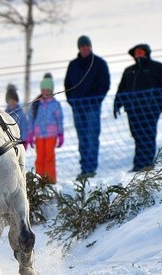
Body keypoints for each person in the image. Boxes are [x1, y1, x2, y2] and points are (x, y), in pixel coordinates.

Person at [114, 43, 162, 172]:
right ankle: (138, 164)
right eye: (136, 52)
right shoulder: (129, 70)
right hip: (132, 109)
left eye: (141, 52)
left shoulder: (157, 67)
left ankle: (147, 165)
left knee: (148, 135)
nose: (138, 54)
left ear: (146, 53)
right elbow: (122, 88)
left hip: (150, 109)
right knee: (137, 135)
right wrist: (117, 103)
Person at [64, 35, 111, 179]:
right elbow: (68, 85)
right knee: (82, 138)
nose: (85, 48)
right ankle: (84, 168)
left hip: (92, 107)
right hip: (78, 107)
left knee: (91, 137)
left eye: (87, 46)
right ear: (79, 48)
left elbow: (105, 84)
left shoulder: (99, 63)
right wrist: (72, 101)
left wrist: (96, 100)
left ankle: (90, 169)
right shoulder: (73, 65)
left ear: (90, 46)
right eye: (82, 46)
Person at [26, 73, 64, 183]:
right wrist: (30, 134)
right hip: (39, 136)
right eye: (43, 90)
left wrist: (60, 134)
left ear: (51, 90)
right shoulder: (37, 104)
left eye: (47, 89)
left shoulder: (55, 104)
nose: (45, 92)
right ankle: (40, 180)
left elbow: (59, 119)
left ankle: (50, 181)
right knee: (39, 159)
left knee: (49, 159)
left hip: (51, 136)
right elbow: (32, 119)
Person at [4, 84, 31, 149]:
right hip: (8, 144)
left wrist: (24, 140)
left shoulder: (21, 114)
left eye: (14, 100)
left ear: (17, 100)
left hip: (20, 142)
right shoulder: (5, 114)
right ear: (7, 102)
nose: (12, 102)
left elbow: (25, 127)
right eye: (10, 101)